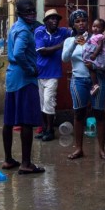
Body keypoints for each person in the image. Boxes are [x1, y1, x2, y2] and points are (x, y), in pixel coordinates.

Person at [1, 0, 45, 174]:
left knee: (9, 121)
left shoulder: (15, 27)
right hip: (24, 79)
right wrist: (30, 69)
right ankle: (26, 163)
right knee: (27, 121)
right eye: (28, 12)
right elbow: (19, 53)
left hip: (12, 77)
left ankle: (8, 159)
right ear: (20, 13)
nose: (32, 14)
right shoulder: (25, 32)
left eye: (33, 10)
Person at [62, 9, 105, 161]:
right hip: (78, 80)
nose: (81, 23)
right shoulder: (69, 41)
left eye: (84, 20)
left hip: (97, 80)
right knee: (79, 114)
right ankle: (79, 149)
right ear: (73, 24)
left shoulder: (97, 38)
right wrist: (74, 43)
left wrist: (95, 67)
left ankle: (102, 150)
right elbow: (65, 58)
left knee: (99, 114)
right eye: (77, 21)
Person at [34, 8, 71, 142]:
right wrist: (60, 45)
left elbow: (75, 32)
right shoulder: (39, 32)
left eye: (56, 18)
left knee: (49, 102)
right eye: (52, 18)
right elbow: (42, 51)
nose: (55, 21)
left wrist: (72, 15)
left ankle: (50, 130)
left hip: (53, 73)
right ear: (46, 21)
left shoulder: (62, 32)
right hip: (40, 73)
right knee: (42, 103)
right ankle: (44, 129)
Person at [83, 18, 105, 97]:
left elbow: (99, 46)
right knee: (104, 69)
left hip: (99, 56)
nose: (95, 28)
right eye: (93, 26)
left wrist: (94, 55)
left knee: (92, 68)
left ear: (103, 29)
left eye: (98, 27)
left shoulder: (100, 36)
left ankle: (95, 84)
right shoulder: (92, 36)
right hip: (96, 56)